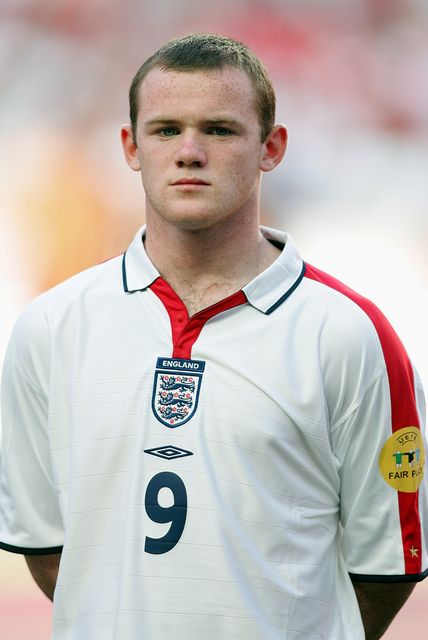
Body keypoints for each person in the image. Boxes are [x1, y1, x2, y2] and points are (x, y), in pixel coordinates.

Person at [0, 33, 427, 640]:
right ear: (130, 146)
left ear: (271, 148)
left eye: (221, 130)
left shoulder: (351, 336)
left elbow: (385, 570)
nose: (190, 152)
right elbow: (48, 553)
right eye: (166, 129)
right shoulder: (50, 327)